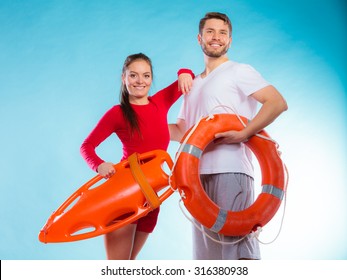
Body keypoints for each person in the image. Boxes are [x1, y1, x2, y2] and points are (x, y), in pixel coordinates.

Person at [169, 12, 288, 260]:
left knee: (237, 252)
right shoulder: (192, 84)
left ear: (230, 41)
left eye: (222, 33)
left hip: (232, 170)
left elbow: (276, 103)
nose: (216, 37)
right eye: (210, 32)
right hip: (196, 177)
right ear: (199, 38)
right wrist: (140, 125)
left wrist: (244, 133)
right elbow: (182, 131)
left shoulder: (239, 71)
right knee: (208, 257)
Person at [80, 53, 193, 260]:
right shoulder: (118, 113)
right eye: (133, 75)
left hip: (152, 195)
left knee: (130, 265)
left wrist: (183, 72)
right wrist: (98, 165)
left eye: (146, 75)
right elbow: (86, 146)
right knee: (118, 268)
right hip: (125, 192)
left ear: (151, 78)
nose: (140, 81)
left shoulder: (160, 102)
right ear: (124, 78)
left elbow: (188, 76)